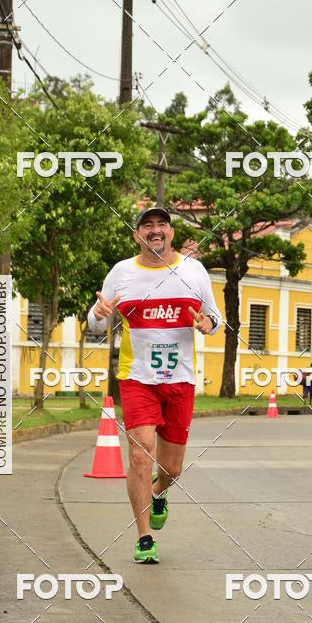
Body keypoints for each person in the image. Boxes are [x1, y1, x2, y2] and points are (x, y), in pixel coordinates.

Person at [87, 206, 222, 564]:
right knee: (139, 453)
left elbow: (214, 316)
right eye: (148, 226)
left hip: (181, 381)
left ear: (171, 233)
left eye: (162, 224)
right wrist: (98, 316)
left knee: (171, 469)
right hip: (137, 379)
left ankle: (159, 492)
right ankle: (144, 537)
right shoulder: (122, 273)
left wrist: (209, 324)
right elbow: (96, 321)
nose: (155, 230)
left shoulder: (193, 271)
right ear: (138, 236)